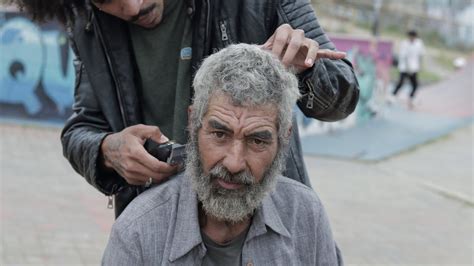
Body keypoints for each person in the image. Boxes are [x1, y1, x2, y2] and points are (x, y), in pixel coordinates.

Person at [13, 0, 359, 217]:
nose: (133, 8)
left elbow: (343, 96)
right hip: (157, 227)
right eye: (107, 0)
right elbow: (80, 128)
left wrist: (309, 69)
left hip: (266, 222)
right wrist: (106, 150)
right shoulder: (86, 22)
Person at [102, 44, 342, 265]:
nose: (234, 163)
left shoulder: (306, 216)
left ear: (283, 138)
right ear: (194, 122)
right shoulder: (138, 232)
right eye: (219, 134)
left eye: (257, 141)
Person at [392, 30, 425, 108]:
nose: (412, 38)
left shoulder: (419, 43)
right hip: (405, 67)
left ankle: (411, 98)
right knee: (401, 82)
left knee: (415, 84)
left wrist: (419, 66)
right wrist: (408, 68)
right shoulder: (405, 43)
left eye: (413, 36)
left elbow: (421, 55)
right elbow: (403, 56)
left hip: (414, 67)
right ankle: (393, 96)